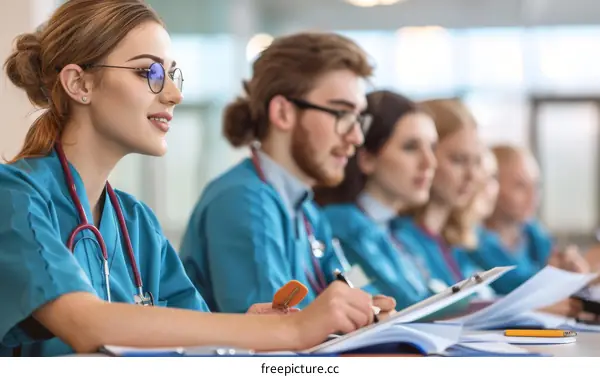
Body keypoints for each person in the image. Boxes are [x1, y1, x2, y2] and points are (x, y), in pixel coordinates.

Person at [0, 0, 386, 357]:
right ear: (79, 84)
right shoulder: (14, 195)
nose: (173, 95)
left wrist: (250, 329)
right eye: (148, 72)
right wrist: (296, 330)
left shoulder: (137, 222)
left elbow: (193, 334)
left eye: (171, 75)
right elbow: (86, 324)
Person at [178, 32, 396, 315]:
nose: (356, 137)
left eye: (358, 119)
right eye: (342, 114)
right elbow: (276, 333)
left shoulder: (308, 212)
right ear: (283, 113)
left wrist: (372, 308)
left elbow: (353, 285)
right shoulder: (242, 201)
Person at [313, 90, 439, 310]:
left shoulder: (394, 230)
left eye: (432, 148)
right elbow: (378, 301)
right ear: (367, 158)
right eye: (410, 147)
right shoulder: (339, 230)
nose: (430, 162)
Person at [470, 144, 589, 294]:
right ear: (491, 186)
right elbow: (508, 284)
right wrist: (553, 276)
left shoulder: (534, 234)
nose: (533, 196)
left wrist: (573, 269)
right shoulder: (472, 240)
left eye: (536, 185)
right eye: (520, 186)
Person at [392, 98, 483, 291]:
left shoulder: (451, 240)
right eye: (458, 160)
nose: (472, 175)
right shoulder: (398, 235)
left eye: (476, 162)